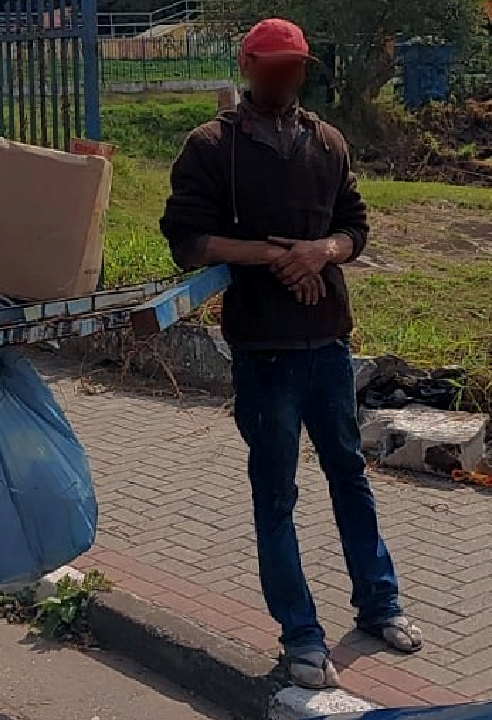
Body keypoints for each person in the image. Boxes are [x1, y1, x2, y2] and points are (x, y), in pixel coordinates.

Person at [159, 17, 423, 690]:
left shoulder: (325, 141)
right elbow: (189, 238)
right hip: (264, 350)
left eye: (295, 65)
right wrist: (276, 256)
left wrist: (320, 252)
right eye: (272, 64)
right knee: (276, 494)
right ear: (247, 65)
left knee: (349, 476)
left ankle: (379, 604)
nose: (284, 76)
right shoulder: (210, 147)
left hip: (328, 341)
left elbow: (354, 228)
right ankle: (302, 639)